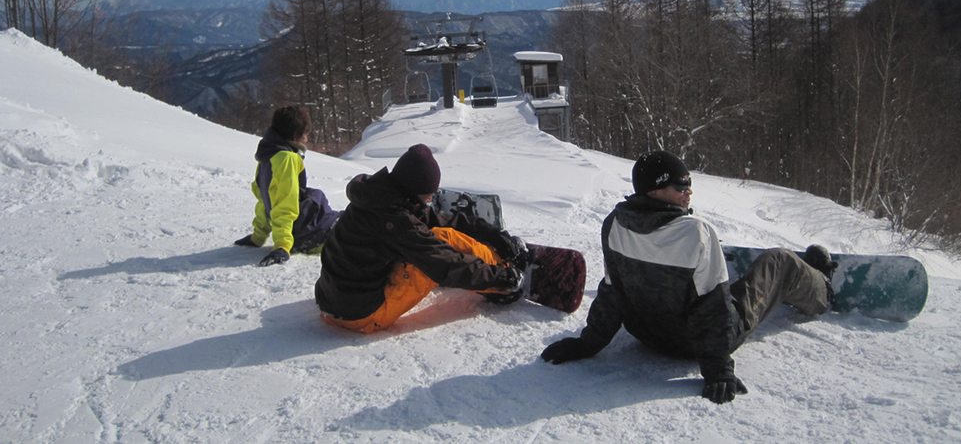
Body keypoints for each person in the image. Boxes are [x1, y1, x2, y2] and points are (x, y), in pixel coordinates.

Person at [540, 150, 837, 404]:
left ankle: (710, 271)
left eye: (689, 183)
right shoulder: (696, 233)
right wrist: (718, 371)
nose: (689, 191)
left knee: (692, 276)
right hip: (692, 344)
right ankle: (822, 288)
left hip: (646, 334)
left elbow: (612, 292)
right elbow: (713, 309)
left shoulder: (614, 224)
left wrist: (587, 344)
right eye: (680, 186)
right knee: (780, 261)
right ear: (654, 191)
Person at [314, 144, 528, 333]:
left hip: (333, 302)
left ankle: (493, 264)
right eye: (428, 193)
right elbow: (444, 264)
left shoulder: (380, 197)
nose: (431, 198)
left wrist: (491, 234)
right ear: (413, 188)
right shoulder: (395, 219)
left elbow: (438, 220)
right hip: (361, 316)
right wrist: (501, 278)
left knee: (439, 235)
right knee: (433, 254)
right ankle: (503, 277)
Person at [234, 106, 340, 267]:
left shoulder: (268, 154)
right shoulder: (287, 159)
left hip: (303, 228)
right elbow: (285, 203)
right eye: (306, 135)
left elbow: (265, 198)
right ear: (296, 135)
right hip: (308, 232)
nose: (306, 140)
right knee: (357, 225)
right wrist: (283, 246)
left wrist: (258, 237)